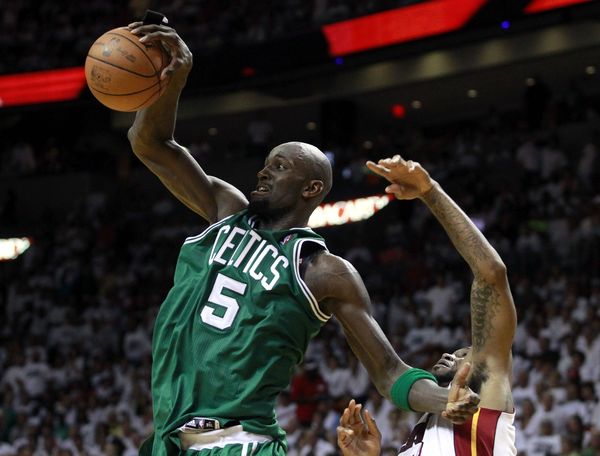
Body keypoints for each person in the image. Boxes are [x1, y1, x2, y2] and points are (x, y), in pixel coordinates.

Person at [125, 20, 480, 456]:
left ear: (311, 188)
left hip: (238, 444)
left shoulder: (324, 271)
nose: (263, 172)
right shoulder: (226, 210)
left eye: (279, 167)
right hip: (169, 441)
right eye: (266, 164)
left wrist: (448, 400)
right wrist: (174, 79)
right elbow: (150, 143)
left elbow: (390, 372)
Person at [337, 156, 517, 455]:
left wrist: (429, 191)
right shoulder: (426, 425)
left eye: (462, 354)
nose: (449, 354)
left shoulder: (486, 392)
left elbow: (491, 275)